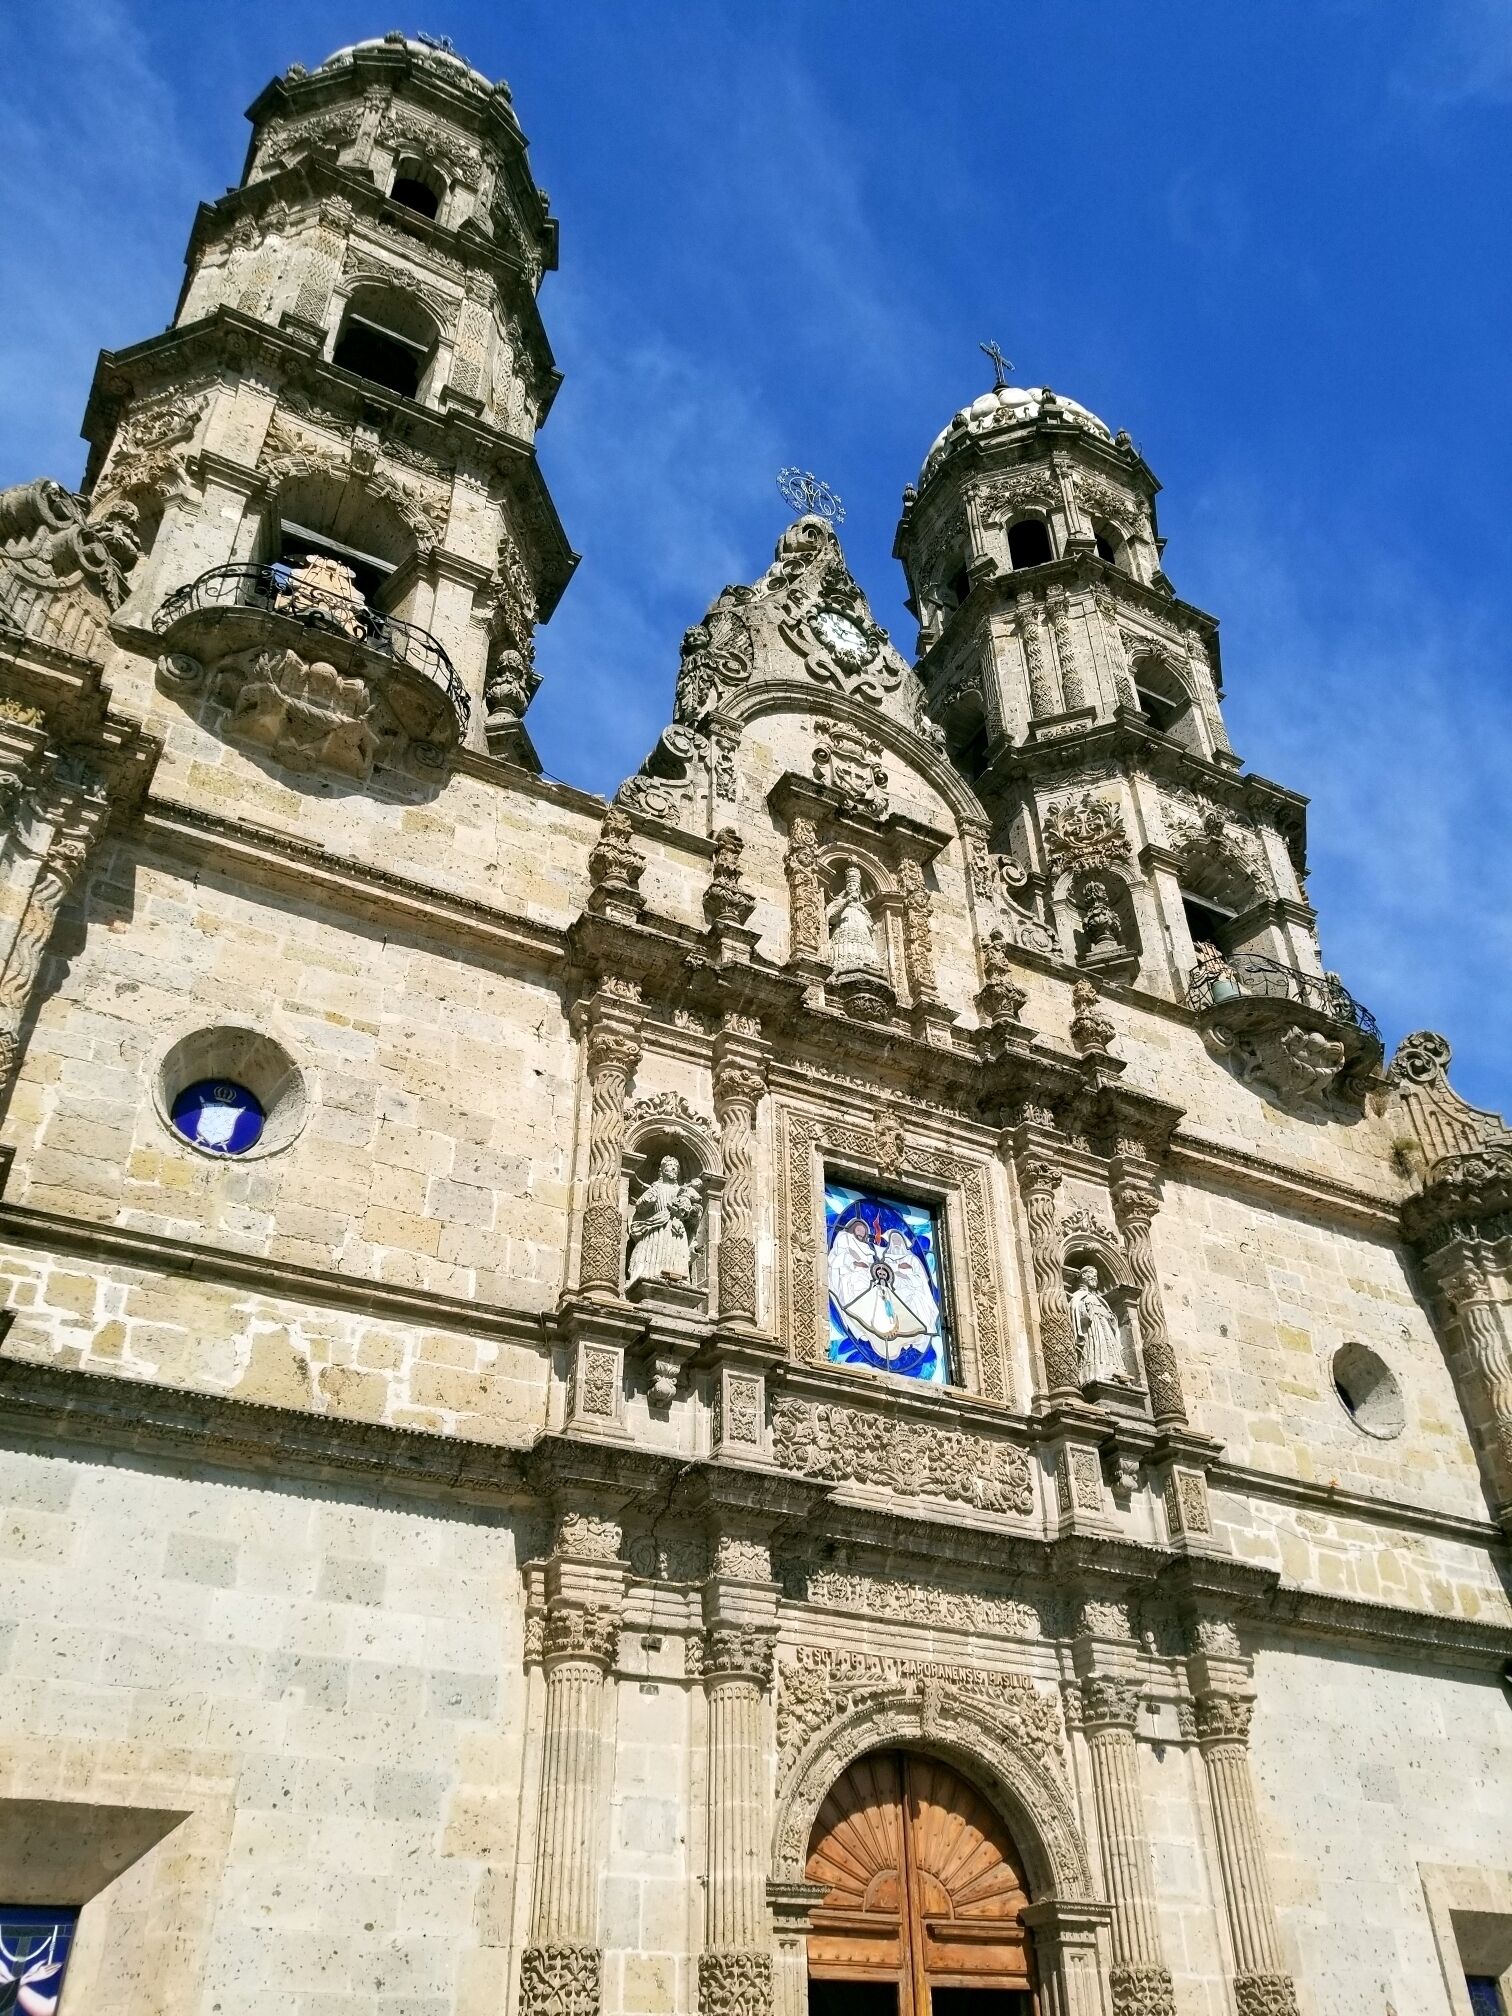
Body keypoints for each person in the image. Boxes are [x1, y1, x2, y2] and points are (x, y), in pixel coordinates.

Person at [626, 1154, 702, 1286]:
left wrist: (687, 1205)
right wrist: (647, 1201)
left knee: (674, 1252)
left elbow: (696, 1204)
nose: (672, 1171)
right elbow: (640, 1206)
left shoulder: (681, 1190)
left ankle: (677, 1278)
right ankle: (650, 1274)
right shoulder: (655, 1188)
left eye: (675, 1169)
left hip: (675, 1227)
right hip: (656, 1226)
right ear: (662, 1171)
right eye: (669, 1167)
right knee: (651, 1250)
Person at [1068, 1264, 1126, 1385]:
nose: (1095, 1279)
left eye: (1096, 1276)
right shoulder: (1078, 1296)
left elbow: (1110, 1316)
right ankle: (1095, 1373)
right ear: (1084, 1276)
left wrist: (1111, 1318)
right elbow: (1075, 1312)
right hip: (1092, 1330)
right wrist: (1085, 1313)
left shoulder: (1098, 1298)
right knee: (1094, 1350)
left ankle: (1113, 1372)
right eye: (1092, 1276)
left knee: (1108, 1348)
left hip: (1105, 1330)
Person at [826, 864, 881, 975]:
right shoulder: (840, 902)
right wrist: (846, 902)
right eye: (850, 884)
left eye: (855, 885)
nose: (853, 887)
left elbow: (870, 925)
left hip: (861, 935)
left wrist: (872, 926)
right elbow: (831, 919)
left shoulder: (862, 908)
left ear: (859, 889)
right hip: (844, 930)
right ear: (846, 887)